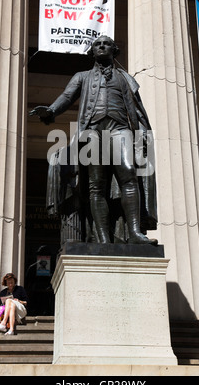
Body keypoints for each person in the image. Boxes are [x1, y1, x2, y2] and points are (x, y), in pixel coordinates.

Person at [30, 36, 157, 245]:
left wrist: (142, 133)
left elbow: (136, 107)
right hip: (92, 130)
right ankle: (103, 239)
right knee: (96, 185)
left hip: (120, 128)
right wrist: (51, 110)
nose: (101, 46)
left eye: (106, 43)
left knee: (129, 174)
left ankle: (135, 232)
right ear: (92, 51)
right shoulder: (82, 76)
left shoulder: (125, 78)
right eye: (97, 44)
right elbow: (67, 96)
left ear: (114, 50)